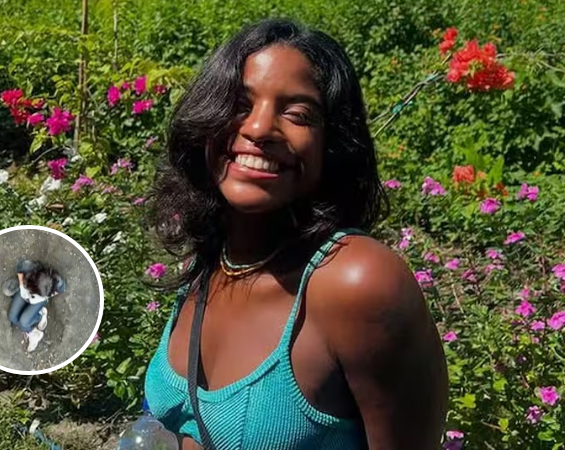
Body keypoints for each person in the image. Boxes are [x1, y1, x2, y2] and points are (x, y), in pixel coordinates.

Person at [143, 18, 448, 450]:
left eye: (298, 114)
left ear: (333, 145)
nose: (258, 128)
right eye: (238, 103)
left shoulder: (356, 283)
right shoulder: (212, 261)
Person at [3, 258, 66, 352]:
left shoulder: (57, 281)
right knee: (12, 317)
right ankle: (36, 322)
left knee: (24, 322)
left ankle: (36, 324)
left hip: (39, 300)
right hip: (25, 292)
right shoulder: (28, 267)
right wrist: (21, 285)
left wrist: (47, 295)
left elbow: (61, 289)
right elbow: (20, 270)